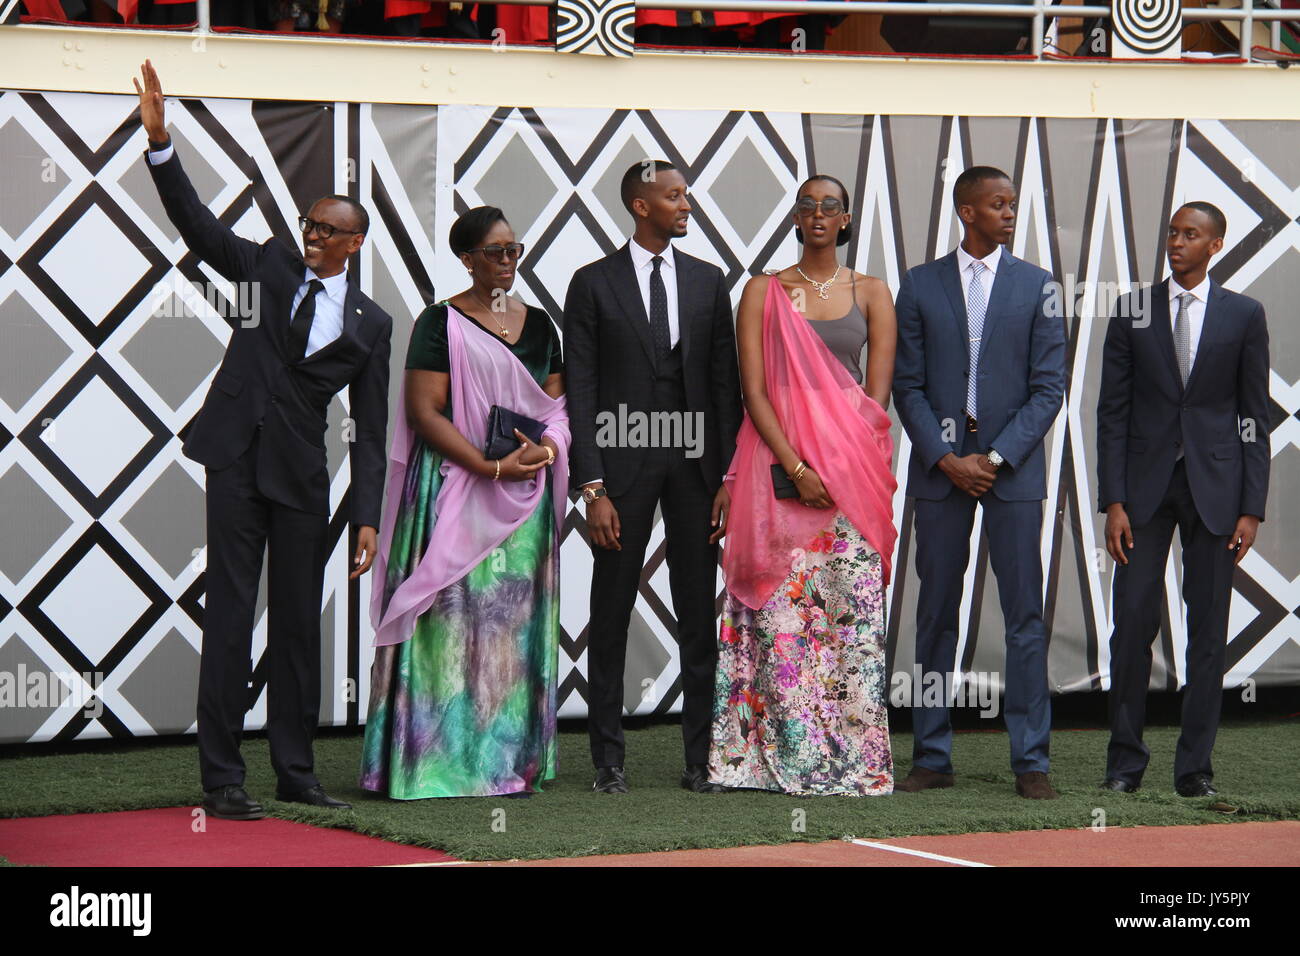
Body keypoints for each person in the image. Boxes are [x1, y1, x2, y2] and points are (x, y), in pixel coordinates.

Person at [134, 60, 393, 819]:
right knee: (229, 617)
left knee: (295, 631)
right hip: (234, 459)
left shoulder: (371, 326)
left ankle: (295, 769)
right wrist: (161, 145)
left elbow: (373, 431)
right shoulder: (266, 263)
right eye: (308, 224)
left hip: (302, 477)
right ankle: (222, 777)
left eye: (326, 229)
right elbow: (197, 225)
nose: (310, 235)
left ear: (354, 242)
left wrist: (369, 515)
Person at [361, 207, 569, 799]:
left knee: (508, 626)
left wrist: (547, 449)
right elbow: (423, 411)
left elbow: (556, 409)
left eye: (515, 250)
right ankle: (430, 763)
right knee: (446, 623)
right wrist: (487, 465)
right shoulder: (439, 322)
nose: (507, 261)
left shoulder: (540, 326)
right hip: (455, 484)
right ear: (467, 258)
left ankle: (503, 761)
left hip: (520, 500)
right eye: (496, 251)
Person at [710, 175, 899, 796]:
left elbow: (876, 398)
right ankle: (784, 755)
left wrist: (842, 468)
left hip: (851, 480)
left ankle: (855, 759)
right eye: (807, 205)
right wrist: (797, 467)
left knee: (851, 619)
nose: (818, 214)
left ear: (845, 220)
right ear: (795, 217)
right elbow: (754, 392)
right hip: (777, 473)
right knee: (780, 618)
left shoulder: (871, 291)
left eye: (830, 206)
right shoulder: (764, 291)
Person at [564, 160, 742, 794]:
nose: (685, 206)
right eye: (674, 197)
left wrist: (728, 474)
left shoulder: (707, 281)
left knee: (699, 609)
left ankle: (703, 761)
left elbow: (726, 384)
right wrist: (594, 487)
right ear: (641, 207)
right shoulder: (591, 283)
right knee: (610, 610)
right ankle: (607, 762)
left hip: (696, 469)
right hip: (622, 467)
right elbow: (579, 390)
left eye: (686, 195)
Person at [892, 165, 1065, 799]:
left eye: (1013, 203)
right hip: (942, 476)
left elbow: (1050, 390)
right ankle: (932, 755)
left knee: (1024, 615)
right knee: (935, 614)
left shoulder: (1039, 286)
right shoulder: (918, 286)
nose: (1010, 213)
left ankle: (1032, 762)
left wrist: (993, 458)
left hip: (1011, 475)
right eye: (998, 204)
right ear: (967, 212)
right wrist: (944, 457)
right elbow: (905, 385)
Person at [1097, 202, 1269, 798]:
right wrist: (1113, 501)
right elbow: (1111, 412)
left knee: (1208, 633)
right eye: (1171, 231)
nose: (1176, 242)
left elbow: (1253, 417)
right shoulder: (1133, 310)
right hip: (1143, 492)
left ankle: (1194, 769)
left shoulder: (1244, 315)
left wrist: (1252, 507)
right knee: (1132, 626)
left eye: (1190, 235)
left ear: (1215, 245)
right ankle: (1124, 765)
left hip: (1218, 492)